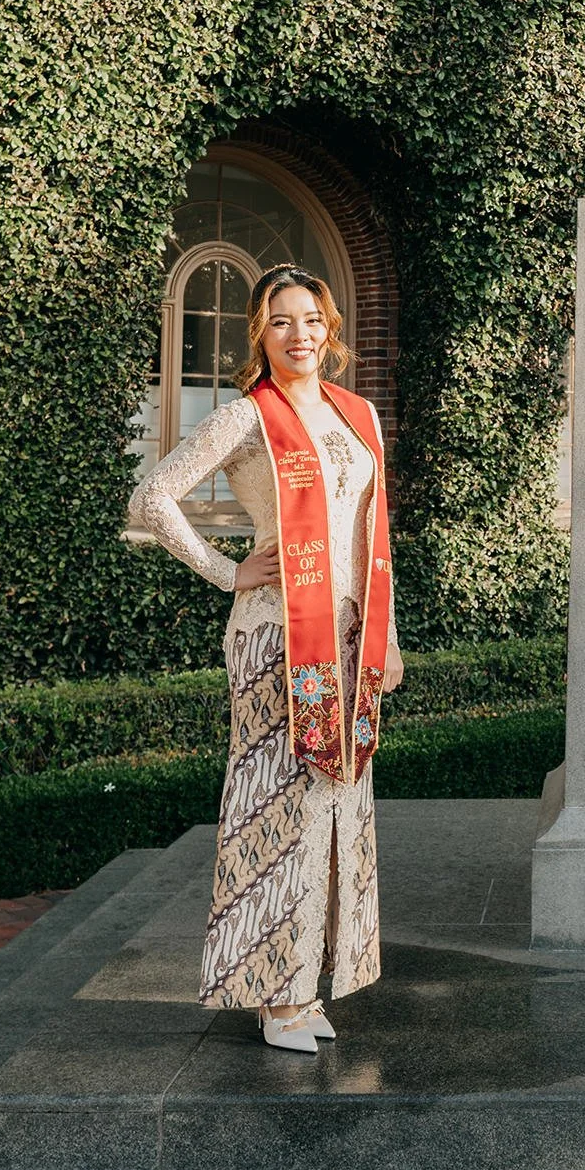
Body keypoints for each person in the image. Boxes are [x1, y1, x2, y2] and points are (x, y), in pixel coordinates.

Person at [128, 264, 403, 1054]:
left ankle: (308, 979)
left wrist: (386, 636)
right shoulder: (246, 417)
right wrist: (228, 568)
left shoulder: (360, 416)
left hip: (349, 634)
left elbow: (372, 535)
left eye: (311, 319)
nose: (299, 334)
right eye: (281, 321)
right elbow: (153, 497)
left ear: (331, 328)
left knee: (335, 799)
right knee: (276, 800)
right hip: (276, 633)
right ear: (260, 333)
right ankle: (272, 995)